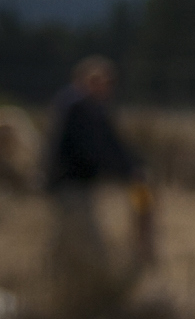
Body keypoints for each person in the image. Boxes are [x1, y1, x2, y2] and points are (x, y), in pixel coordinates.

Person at [44, 53, 147, 281]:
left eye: (109, 83)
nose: (106, 87)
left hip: (78, 185)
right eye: (101, 81)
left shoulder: (93, 109)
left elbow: (115, 145)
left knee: (66, 237)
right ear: (84, 80)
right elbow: (94, 149)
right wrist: (127, 171)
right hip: (69, 185)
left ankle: (54, 285)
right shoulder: (76, 108)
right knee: (88, 241)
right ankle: (93, 289)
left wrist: (135, 167)